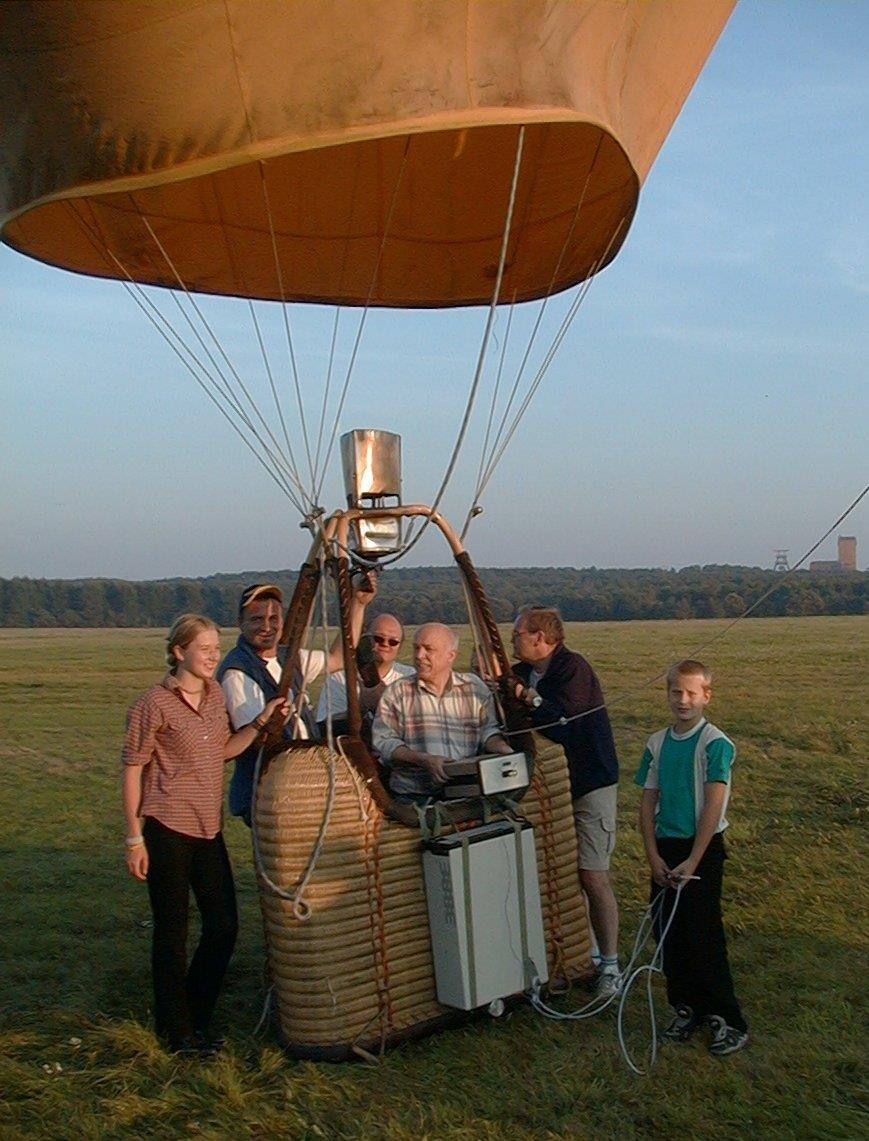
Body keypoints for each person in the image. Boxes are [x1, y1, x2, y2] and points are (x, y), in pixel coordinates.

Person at [121, 613, 287, 1057]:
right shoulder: (152, 704)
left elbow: (224, 751)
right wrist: (134, 837)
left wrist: (261, 722)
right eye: (204, 649)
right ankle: (177, 1034)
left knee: (224, 926)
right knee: (172, 933)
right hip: (165, 827)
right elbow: (134, 768)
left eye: (216, 648)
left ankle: (193, 1013)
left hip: (206, 827)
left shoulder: (214, 696)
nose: (213, 656)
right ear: (179, 652)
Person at [635, 659, 748, 1056]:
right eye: (675, 692)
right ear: (667, 694)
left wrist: (694, 861)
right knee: (669, 933)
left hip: (701, 850)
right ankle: (685, 1008)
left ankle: (725, 1018)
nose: (683, 700)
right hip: (666, 851)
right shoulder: (656, 743)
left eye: (691, 693)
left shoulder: (715, 743)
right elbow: (647, 803)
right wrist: (653, 857)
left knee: (703, 934)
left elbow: (713, 805)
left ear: (706, 697)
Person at [510, 605, 621, 995]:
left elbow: (564, 721)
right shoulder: (521, 673)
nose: (513, 639)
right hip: (553, 789)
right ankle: (580, 955)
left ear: (541, 637)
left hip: (590, 783)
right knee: (558, 873)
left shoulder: (573, 668)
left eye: (519, 633)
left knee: (592, 874)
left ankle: (610, 965)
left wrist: (526, 697)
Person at [217, 577, 375, 824]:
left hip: (301, 782)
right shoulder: (237, 672)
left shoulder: (288, 658)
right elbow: (257, 742)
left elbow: (338, 658)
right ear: (240, 623)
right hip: (271, 790)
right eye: (256, 619)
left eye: (273, 619)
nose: (266, 627)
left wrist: (358, 604)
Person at [372, 622, 513, 803]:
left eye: (428, 649)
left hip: (467, 791)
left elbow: (488, 731)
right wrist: (424, 760)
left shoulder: (473, 688)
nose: (419, 655)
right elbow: (384, 743)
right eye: (416, 648)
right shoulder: (397, 692)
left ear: (450, 656)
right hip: (415, 796)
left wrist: (505, 751)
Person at [316, 611, 414, 740]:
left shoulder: (409, 676)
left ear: (400, 647)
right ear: (366, 639)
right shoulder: (339, 677)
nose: (385, 644)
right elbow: (327, 726)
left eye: (393, 642)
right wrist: (359, 708)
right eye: (378, 638)